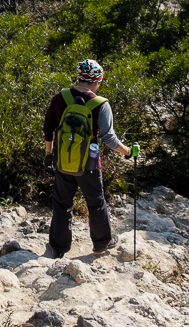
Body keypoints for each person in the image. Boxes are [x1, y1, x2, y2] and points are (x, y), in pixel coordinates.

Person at [43, 58, 135, 258]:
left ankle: (58, 249)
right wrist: (128, 152)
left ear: (78, 77)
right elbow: (109, 138)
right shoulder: (101, 104)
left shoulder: (60, 98)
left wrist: (49, 154)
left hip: (63, 160)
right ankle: (101, 245)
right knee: (96, 202)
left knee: (62, 204)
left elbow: (48, 127)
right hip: (89, 164)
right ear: (97, 81)